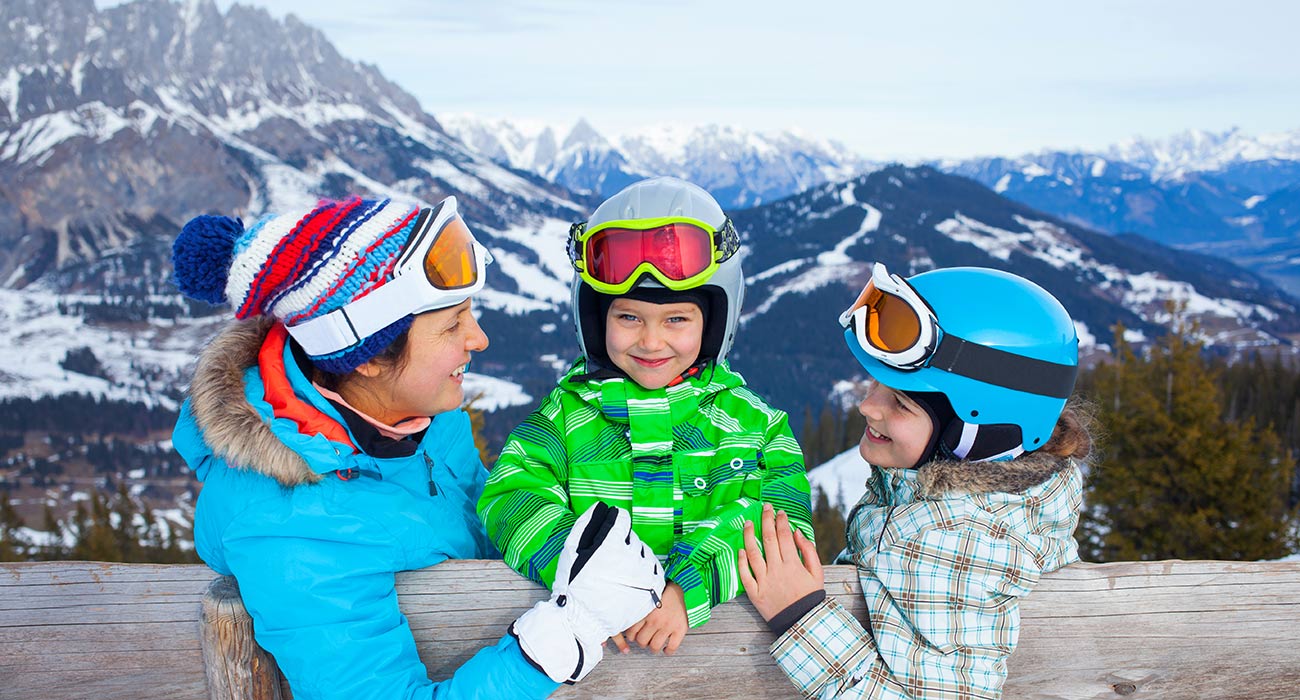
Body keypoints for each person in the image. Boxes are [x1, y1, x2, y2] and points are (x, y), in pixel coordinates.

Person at [170, 195, 663, 700]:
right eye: (452, 325)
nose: (479, 339)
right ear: (364, 358)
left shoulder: (417, 415)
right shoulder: (293, 531)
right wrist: (569, 630)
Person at [478, 176, 815, 655]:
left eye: (676, 319)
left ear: (714, 322)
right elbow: (509, 499)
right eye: (628, 317)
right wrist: (594, 574)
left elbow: (780, 522)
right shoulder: (565, 419)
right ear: (595, 319)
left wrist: (685, 588)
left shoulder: (756, 428)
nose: (651, 342)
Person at [740, 263, 1092, 699]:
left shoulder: (952, 540)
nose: (868, 406)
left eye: (901, 403)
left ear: (973, 432)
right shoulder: (1013, 497)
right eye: (875, 383)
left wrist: (800, 615)